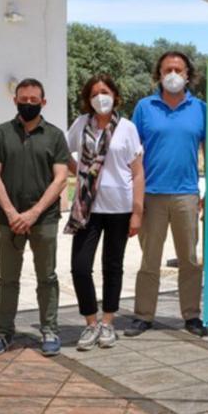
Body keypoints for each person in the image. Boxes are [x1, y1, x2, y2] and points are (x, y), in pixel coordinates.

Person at [0, 78, 70, 357]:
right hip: (7, 220)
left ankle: (49, 330)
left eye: (34, 100)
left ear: (43, 103)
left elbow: (60, 178)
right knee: (8, 278)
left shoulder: (55, 136)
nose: (28, 104)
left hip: (44, 220)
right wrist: (11, 212)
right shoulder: (1, 133)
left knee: (47, 276)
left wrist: (33, 213)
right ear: (15, 101)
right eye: (24, 99)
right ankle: (3, 332)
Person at [127, 51, 207, 338]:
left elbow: (207, 150)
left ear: (188, 74)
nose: (173, 74)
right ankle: (143, 315)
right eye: (167, 69)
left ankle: (192, 316)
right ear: (158, 75)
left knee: (190, 260)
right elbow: (132, 153)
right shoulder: (144, 107)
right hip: (150, 195)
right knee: (150, 260)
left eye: (178, 69)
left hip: (186, 195)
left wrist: (207, 192)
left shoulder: (200, 108)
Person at [65, 74, 144, 351]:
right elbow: (65, 153)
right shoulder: (80, 125)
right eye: (95, 93)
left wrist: (137, 212)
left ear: (115, 95)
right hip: (88, 208)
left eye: (105, 91)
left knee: (113, 266)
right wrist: (84, 173)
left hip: (119, 208)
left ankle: (107, 322)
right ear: (88, 99)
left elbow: (137, 172)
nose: (101, 97)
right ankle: (90, 323)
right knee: (80, 267)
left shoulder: (127, 128)